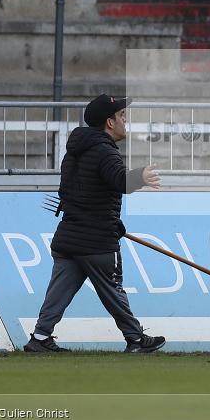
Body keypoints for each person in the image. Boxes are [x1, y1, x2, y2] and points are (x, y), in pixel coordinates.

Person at [24, 94, 166, 354]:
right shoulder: (105, 151)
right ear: (109, 123)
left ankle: (40, 337)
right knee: (112, 289)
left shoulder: (75, 153)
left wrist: (112, 222)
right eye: (122, 116)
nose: (126, 121)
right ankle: (136, 339)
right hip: (96, 242)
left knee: (59, 293)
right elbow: (119, 181)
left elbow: (74, 195)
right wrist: (140, 177)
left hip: (69, 237)